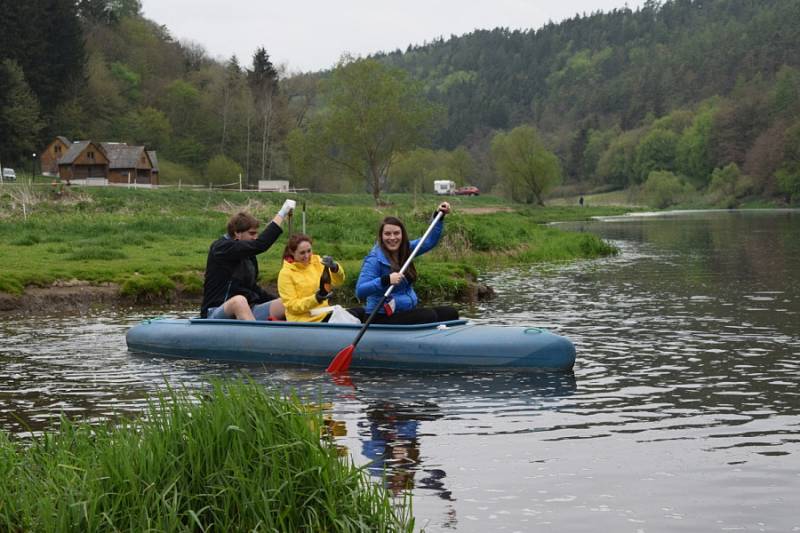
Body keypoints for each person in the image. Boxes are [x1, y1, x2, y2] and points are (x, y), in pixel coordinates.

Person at [355, 202, 459, 325]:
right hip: (379, 317)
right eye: (387, 234)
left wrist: (439, 215)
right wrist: (386, 280)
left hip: (404, 312)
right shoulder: (374, 260)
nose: (392, 238)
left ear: (402, 235)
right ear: (381, 236)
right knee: (428, 315)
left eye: (396, 233)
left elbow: (429, 241)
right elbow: (360, 291)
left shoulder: (407, 249)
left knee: (451, 312)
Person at [200, 199, 295, 320]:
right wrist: (282, 213)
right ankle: (255, 337)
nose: (255, 238)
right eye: (252, 234)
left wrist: (280, 300)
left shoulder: (249, 257)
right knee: (239, 301)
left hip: (247, 310)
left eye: (256, 234)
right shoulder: (221, 247)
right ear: (237, 233)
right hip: (216, 313)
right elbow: (261, 245)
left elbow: (253, 289)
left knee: (286, 304)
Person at [278, 234, 349, 322]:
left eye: (309, 251)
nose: (307, 256)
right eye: (302, 253)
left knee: (359, 313)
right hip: (304, 321)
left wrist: (335, 268)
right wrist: (316, 299)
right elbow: (292, 306)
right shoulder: (285, 274)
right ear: (292, 252)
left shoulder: (318, 261)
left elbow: (338, 282)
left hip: (324, 313)